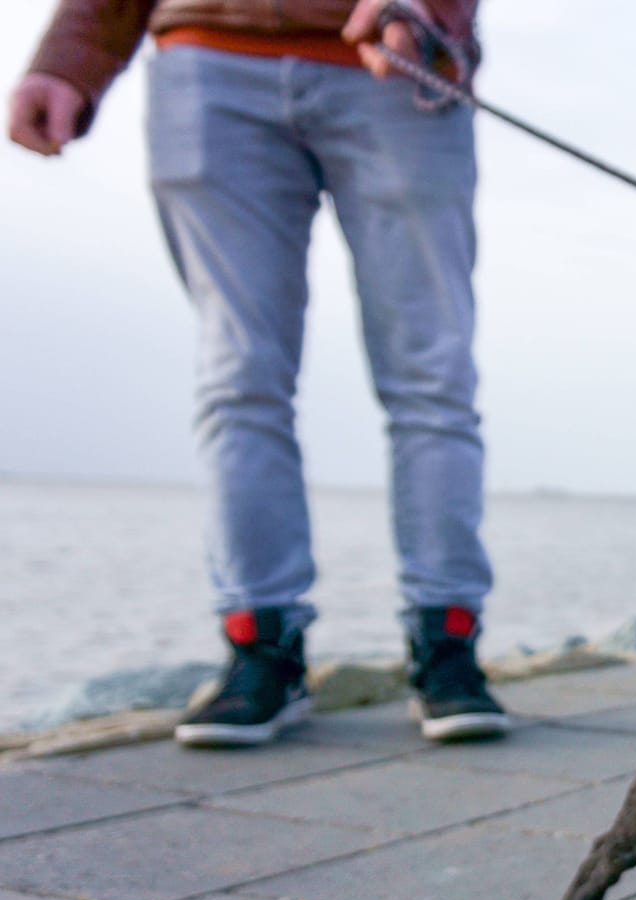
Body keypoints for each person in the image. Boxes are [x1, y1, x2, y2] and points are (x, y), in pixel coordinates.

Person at [8, 0, 510, 747]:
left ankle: (448, 644)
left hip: (392, 63)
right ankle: (259, 647)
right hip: (208, 61)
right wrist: (65, 60)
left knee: (431, 373)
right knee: (238, 375)